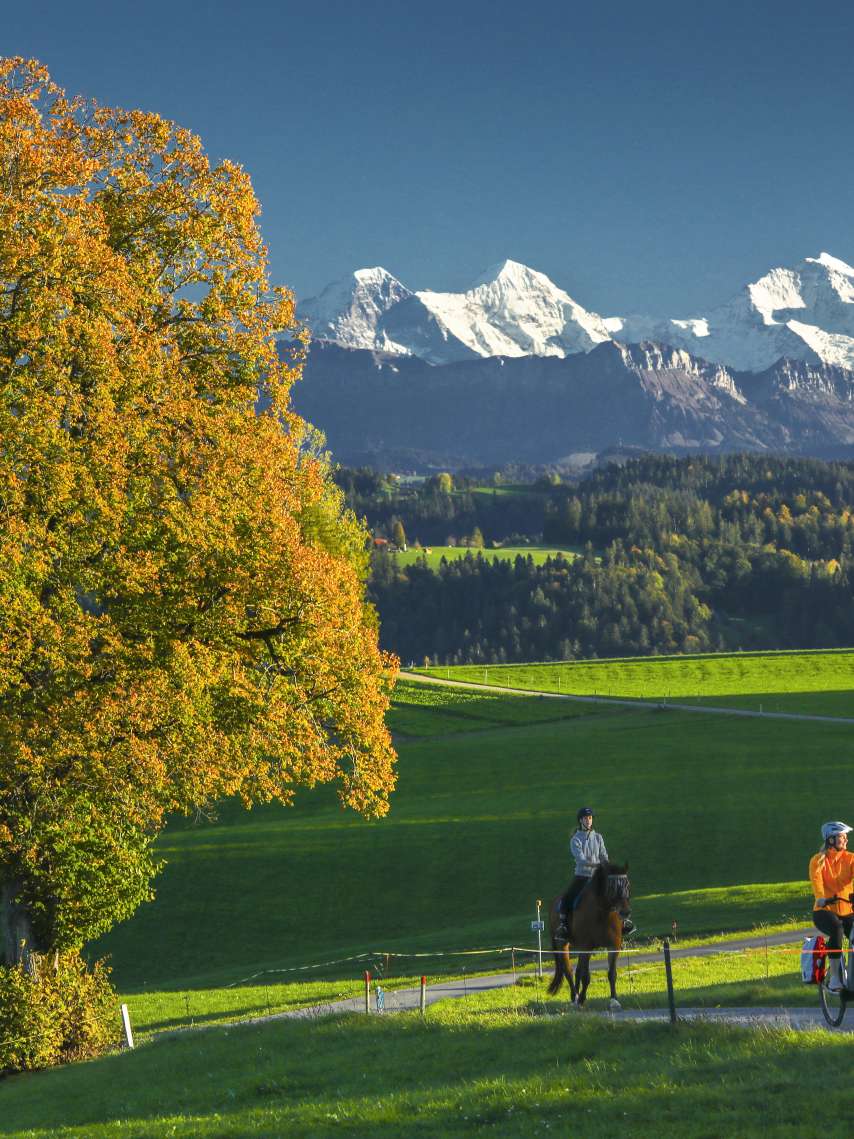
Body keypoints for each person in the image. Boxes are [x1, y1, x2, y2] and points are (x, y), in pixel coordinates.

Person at [556, 807, 635, 940]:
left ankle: (624, 922)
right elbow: (581, 859)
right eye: (586, 818)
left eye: (590, 818)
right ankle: (563, 926)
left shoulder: (598, 837)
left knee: (618, 891)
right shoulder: (575, 840)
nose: (589, 820)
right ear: (580, 820)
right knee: (567, 897)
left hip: (598, 875)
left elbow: (604, 855)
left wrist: (606, 865)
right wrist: (597, 865)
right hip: (582, 875)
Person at [809, 821, 854, 992]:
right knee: (836, 928)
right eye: (842, 837)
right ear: (831, 839)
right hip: (824, 910)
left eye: (845, 837)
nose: (846, 840)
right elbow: (817, 881)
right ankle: (835, 977)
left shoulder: (851, 859)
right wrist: (821, 898)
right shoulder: (818, 860)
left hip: (847, 909)